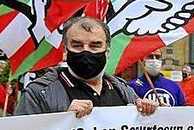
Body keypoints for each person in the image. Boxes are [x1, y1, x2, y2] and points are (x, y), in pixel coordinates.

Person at [16, 16, 159, 117]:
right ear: (65, 51)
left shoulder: (123, 90)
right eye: (77, 45)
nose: (86, 51)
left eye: (95, 46)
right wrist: (62, 122)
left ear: (107, 52)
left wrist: (150, 113)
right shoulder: (38, 93)